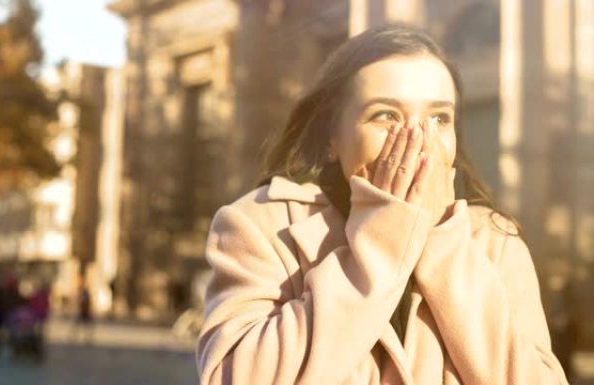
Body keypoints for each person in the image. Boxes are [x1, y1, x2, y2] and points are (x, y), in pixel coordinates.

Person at [196, 26, 569, 385]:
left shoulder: (493, 240)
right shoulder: (260, 225)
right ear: (331, 138)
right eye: (386, 116)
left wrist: (444, 244)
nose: (418, 141)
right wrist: (382, 243)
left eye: (439, 118)